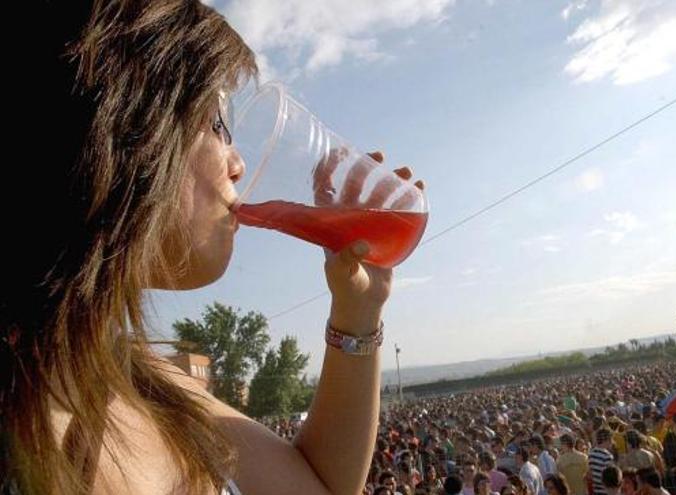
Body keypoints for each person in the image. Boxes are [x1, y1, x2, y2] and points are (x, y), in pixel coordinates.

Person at [4, 2, 425, 494]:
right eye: (217, 123)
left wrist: (358, 308)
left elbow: (318, 487)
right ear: (125, 130)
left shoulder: (137, 380)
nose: (239, 163)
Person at [590, 429, 617, 495]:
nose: (612, 442)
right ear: (607, 440)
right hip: (605, 491)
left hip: (595, 489)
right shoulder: (607, 456)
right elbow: (611, 476)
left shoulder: (591, 453)